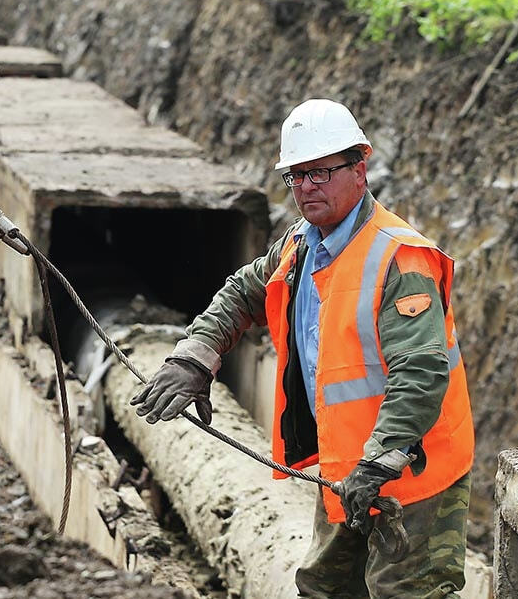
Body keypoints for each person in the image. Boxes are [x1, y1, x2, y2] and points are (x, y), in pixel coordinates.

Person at [130, 99, 474, 598]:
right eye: (296, 176)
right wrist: (196, 355)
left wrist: (381, 460)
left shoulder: (401, 258)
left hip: (413, 471)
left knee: (406, 593)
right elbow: (244, 289)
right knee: (323, 589)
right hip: (347, 468)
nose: (306, 187)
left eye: (320, 172)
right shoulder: (301, 244)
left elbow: (420, 372)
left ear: (360, 167)